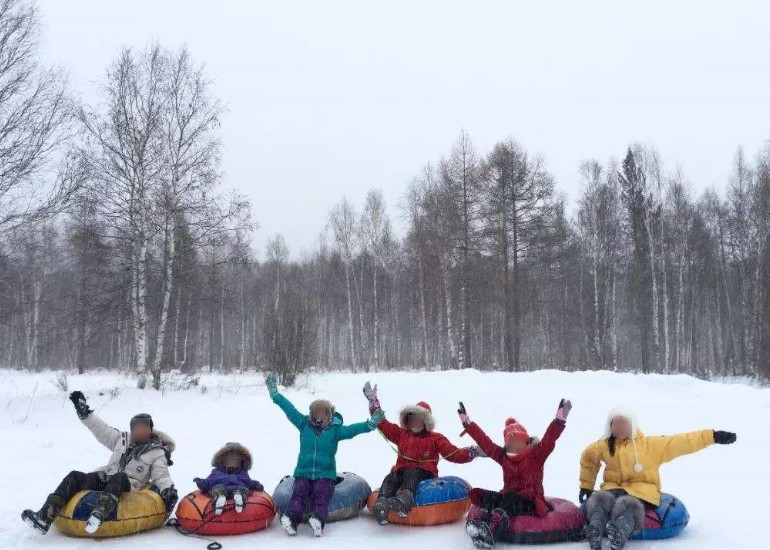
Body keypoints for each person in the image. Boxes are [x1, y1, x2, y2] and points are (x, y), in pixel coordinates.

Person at [21, 391, 178, 535]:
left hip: (128, 484)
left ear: (150, 430)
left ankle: (98, 515)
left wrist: (168, 491)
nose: (139, 431)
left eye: (143, 427)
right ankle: (44, 516)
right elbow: (101, 430)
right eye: (135, 427)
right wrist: (85, 414)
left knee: (120, 477)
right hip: (106, 476)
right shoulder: (122, 439)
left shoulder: (157, 452)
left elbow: (161, 475)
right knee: (75, 476)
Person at [579, 407, 737, 550]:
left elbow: (681, 442)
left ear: (632, 425)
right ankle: (595, 529)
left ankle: (619, 532)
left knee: (628, 504)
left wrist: (712, 436)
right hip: (612, 487)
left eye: (624, 423)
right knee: (601, 499)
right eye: (616, 423)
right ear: (610, 426)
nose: (619, 427)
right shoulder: (603, 445)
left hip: (641, 491)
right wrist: (586, 485)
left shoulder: (650, 445)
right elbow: (588, 459)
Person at [266, 373, 384, 537]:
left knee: (322, 494)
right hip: (303, 472)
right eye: (316, 412)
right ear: (311, 413)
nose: (319, 415)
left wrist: (369, 424)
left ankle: (318, 521)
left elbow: (352, 430)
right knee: (299, 492)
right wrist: (275, 394)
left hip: (325, 474)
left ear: (329, 414)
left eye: (323, 412)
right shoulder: (303, 424)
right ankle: (292, 520)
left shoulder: (335, 430)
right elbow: (289, 409)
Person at [363, 382, 483, 525]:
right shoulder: (402, 434)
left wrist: (472, 452)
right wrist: (373, 402)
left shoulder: (435, 438)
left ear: (426, 421)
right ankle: (382, 502)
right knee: (391, 477)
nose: (415, 421)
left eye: (418, 418)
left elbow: (453, 454)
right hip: (401, 471)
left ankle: (404, 500)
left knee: (411, 472)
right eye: (412, 417)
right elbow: (383, 423)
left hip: (425, 473)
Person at [460, 399, 571, 549]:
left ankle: (493, 531)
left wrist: (559, 421)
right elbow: (485, 442)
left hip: (531, 501)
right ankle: (482, 523)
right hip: (509, 498)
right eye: (511, 442)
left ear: (526, 442)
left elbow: (549, 439)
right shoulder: (503, 456)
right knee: (482, 494)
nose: (514, 444)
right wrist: (468, 424)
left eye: (518, 441)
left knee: (510, 496)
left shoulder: (536, 455)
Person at [193, 442, 264, 515]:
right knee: (217, 488)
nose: (232, 462)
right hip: (222, 488)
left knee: (243, 489)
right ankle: (219, 498)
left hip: (238, 488)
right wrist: (201, 483)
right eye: (229, 460)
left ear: (241, 462)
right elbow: (209, 482)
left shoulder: (242, 472)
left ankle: (239, 498)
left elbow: (249, 482)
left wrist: (257, 485)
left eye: (236, 460)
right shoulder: (217, 472)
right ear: (223, 460)